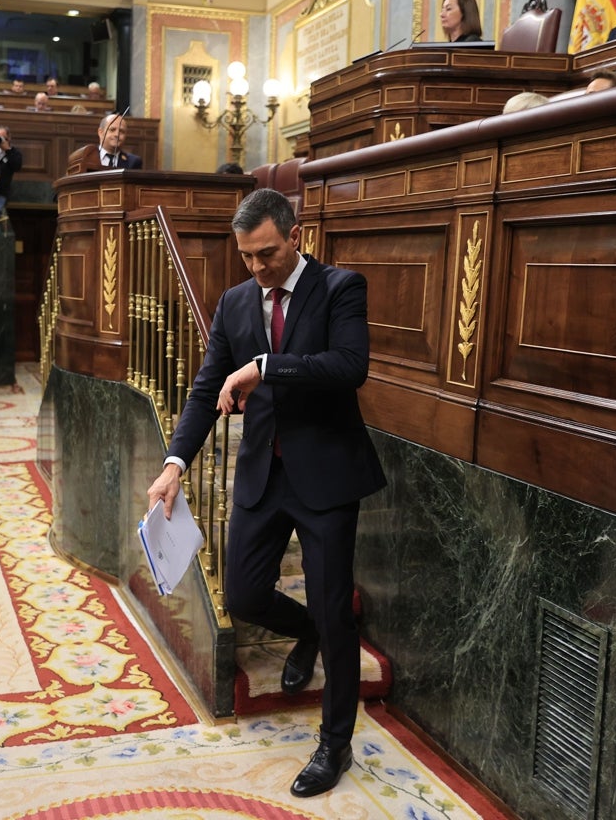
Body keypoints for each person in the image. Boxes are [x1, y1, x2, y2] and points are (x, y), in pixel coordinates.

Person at [146, 188, 386, 799]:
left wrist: (266, 365)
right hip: (262, 473)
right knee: (248, 594)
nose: (256, 268)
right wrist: (175, 462)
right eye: (247, 256)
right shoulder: (232, 303)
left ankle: (335, 744)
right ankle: (303, 629)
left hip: (326, 477)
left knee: (336, 612)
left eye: (267, 254)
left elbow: (348, 366)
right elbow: (205, 390)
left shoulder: (339, 288)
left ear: (295, 236)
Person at [68, 112, 144, 172]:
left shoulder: (133, 162)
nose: (117, 134)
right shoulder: (84, 157)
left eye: (121, 131)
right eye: (112, 130)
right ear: (100, 132)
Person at [0, 125, 22, 218]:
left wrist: (7, 150)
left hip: (2, 191)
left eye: (3, 137)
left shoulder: (14, 153)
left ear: (9, 138)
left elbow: (17, 166)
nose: (0, 140)